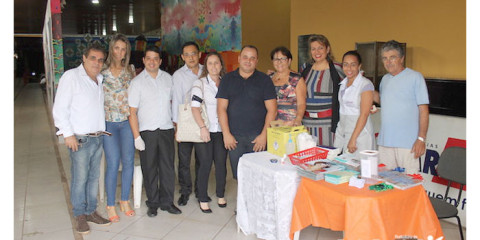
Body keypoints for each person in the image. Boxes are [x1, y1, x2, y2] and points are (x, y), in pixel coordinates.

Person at [52, 43, 111, 234]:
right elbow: (60, 108)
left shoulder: (99, 79)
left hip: (97, 137)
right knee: (80, 178)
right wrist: (67, 134)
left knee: (93, 177)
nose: (96, 62)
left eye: (100, 59)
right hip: (80, 139)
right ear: (84, 58)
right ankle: (79, 215)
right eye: (93, 58)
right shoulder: (72, 76)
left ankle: (90, 211)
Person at [128, 46, 181, 217]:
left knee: (167, 167)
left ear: (160, 61)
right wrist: (137, 136)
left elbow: (175, 103)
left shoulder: (168, 79)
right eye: (148, 58)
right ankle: (153, 202)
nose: (152, 61)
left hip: (166, 129)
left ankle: (167, 202)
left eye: (155, 58)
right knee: (149, 168)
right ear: (144, 60)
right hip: (147, 132)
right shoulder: (136, 83)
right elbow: (132, 112)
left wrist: (176, 126)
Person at [217, 45, 277, 179]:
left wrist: (264, 135)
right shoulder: (227, 79)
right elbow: (221, 108)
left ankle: (258, 201)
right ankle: (244, 201)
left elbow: (272, 110)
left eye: (252, 58)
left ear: (256, 61)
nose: (248, 61)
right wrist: (226, 134)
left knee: (259, 176)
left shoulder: (264, 80)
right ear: (239, 58)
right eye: (245, 57)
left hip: (257, 138)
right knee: (239, 176)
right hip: (234, 138)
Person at [373, 40, 429, 174]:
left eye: (393, 57)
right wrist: (365, 88)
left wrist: (421, 139)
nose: (388, 62)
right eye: (385, 58)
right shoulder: (385, 79)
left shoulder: (415, 77)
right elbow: (384, 101)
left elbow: (424, 110)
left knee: (409, 184)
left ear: (402, 59)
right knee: (385, 184)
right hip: (385, 142)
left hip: (408, 145)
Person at [101, 34, 136, 222]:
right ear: (111, 49)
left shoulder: (130, 71)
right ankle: (110, 204)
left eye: (123, 49)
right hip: (108, 124)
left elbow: (135, 99)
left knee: (129, 161)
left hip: (126, 123)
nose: (120, 52)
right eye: (117, 48)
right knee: (113, 162)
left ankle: (124, 200)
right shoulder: (102, 72)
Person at [191, 52, 228, 213]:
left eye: (217, 63)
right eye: (210, 63)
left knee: (221, 164)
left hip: (222, 130)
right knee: (205, 164)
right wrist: (202, 127)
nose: (214, 66)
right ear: (206, 66)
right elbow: (194, 107)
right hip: (206, 130)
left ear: (221, 65)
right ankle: (203, 197)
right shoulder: (200, 83)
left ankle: (220, 194)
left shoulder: (226, 83)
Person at [172, 42, 204, 206]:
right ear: (183, 57)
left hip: (202, 121)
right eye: (187, 54)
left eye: (193, 54)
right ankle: (185, 191)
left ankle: (200, 190)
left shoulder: (207, 71)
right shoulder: (178, 75)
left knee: (201, 159)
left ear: (199, 54)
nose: (191, 57)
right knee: (184, 160)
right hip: (185, 120)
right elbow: (177, 100)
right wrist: (177, 127)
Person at [300, 34, 345, 147]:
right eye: (313, 49)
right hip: (307, 123)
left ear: (328, 49)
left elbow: (354, 82)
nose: (317, 52)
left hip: (328, 124)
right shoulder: (305, 69)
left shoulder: (337, 68)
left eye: (320, 48)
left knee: (328, 158)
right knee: (309, 156)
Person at [333, 51, 375, 157]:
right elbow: (342, 111)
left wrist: (353, 138)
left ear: (359, 66)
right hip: (344, 130)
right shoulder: (342, 84)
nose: (349, 68)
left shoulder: (366, 85)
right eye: (346, 64)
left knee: (361, 169)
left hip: (360, 135)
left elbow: (364, 114)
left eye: (353, 64)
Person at [268, 46, 306, 126]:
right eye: (276, 59)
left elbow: (301, 103)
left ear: (289, 61)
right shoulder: (268, 78)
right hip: (272, 123)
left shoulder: (296, 79)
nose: (279, 62)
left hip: (290, 124)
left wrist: (298, 120)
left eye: (283, 59)